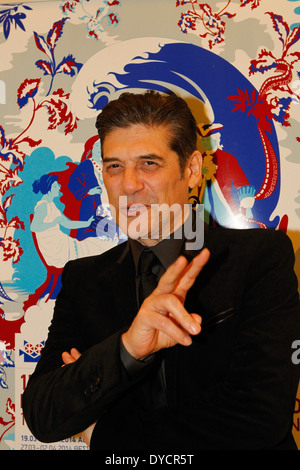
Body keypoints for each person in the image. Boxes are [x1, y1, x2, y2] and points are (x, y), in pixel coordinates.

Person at [23, 90, 300, 450]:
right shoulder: (83, 279)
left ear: (192, 170)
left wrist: (104, 434)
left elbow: (258, 418)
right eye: (114, 166)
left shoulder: (259, 259)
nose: (128, 185)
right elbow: (44, 414)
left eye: (148, 163)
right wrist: (125, 350)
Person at [31, 174, 117, 268]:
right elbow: (34, 227)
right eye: (55, 186)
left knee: (91, 246)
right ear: (48, 189)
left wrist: (86, 223)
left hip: (58, 242)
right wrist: (53, 223)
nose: (59, 188)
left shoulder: (51, 205)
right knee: (90, 248)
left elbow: (67, 223)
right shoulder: (43, 206)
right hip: (53, 247)